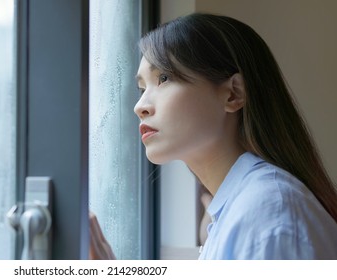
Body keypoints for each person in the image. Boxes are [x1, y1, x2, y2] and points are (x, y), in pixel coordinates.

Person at [89, 13, 337, 260]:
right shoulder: (242, 210)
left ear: (233, 94)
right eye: (142, 89)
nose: (139, 106)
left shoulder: (268, 212)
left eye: (163, 78)